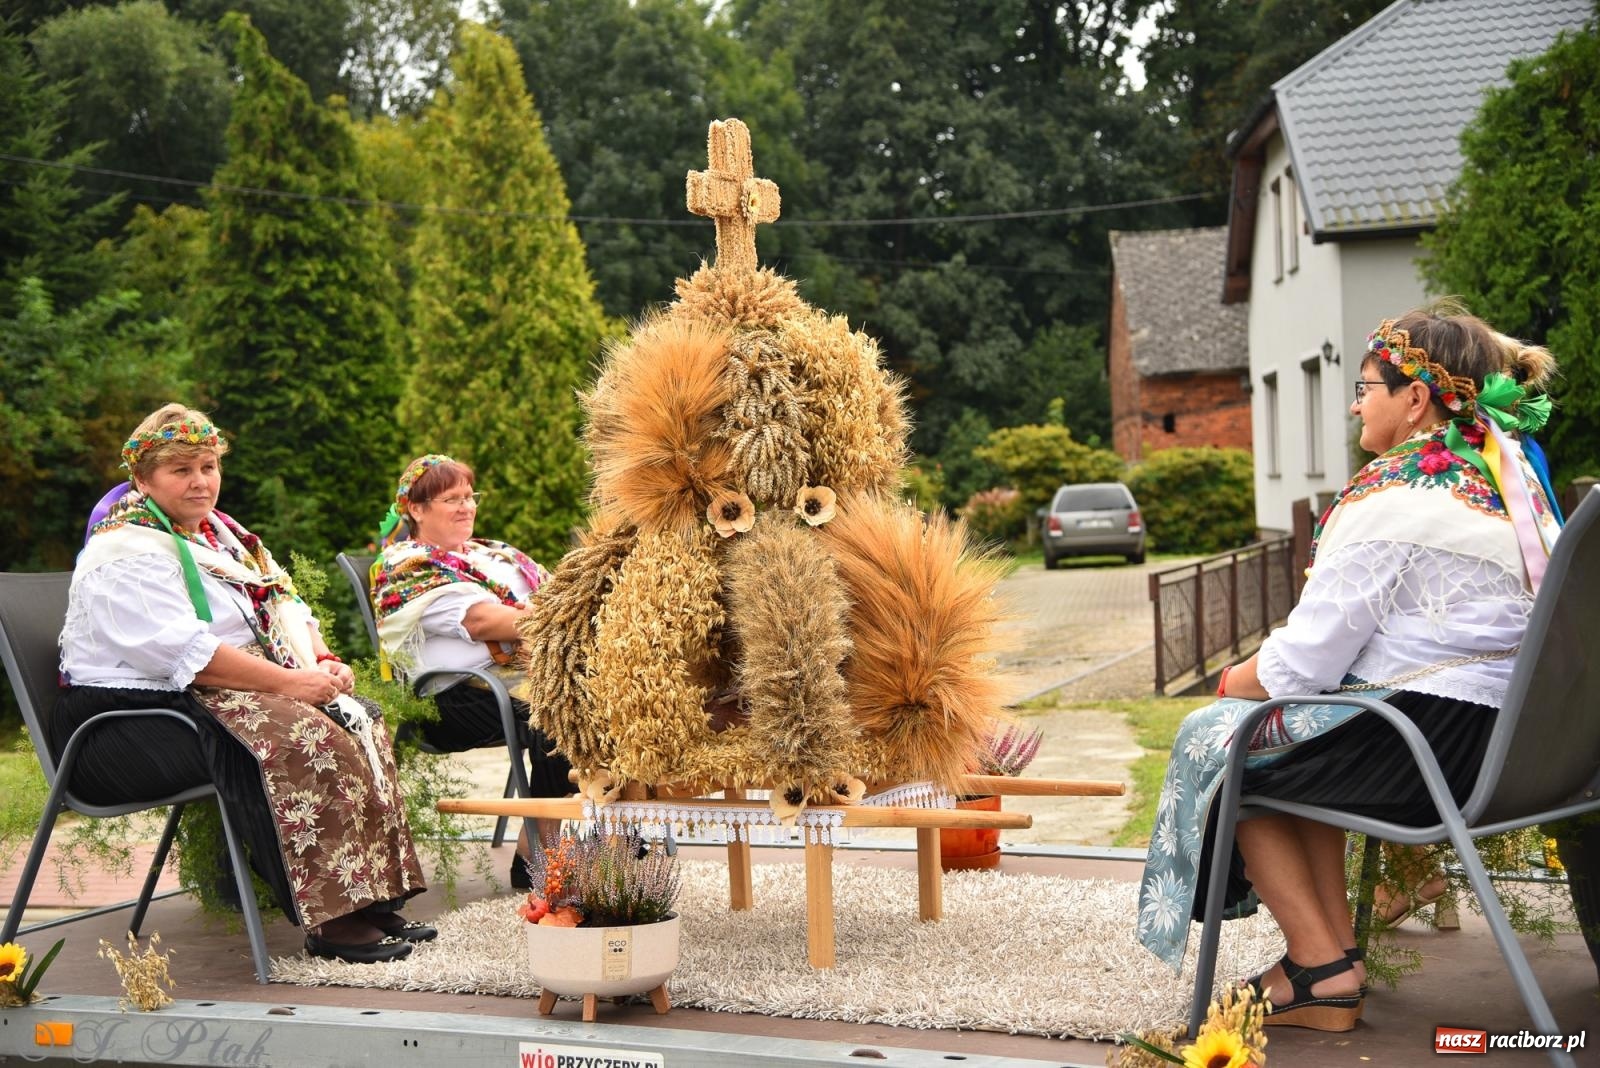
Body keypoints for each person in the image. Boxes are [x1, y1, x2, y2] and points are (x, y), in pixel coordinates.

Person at [1136, 303, 1561, 1031]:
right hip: (1519, 748)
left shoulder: (1395, 498)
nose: (1357, 402)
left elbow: (1299, 665)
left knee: (1230, 740)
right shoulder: (1508, 494)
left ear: (1416, 398)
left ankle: (1321, 967)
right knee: (1289, 738)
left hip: (1432, 749)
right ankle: (1327, 961)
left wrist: (1232, 683)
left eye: (1366, 386)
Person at [58, 404, 431, 964]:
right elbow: (187, 654)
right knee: (303, 735)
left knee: (360, 716)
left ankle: (368, 899)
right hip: (127, 720)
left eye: (208, 466)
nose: (201, 481)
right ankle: (332, 922)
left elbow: (283, 602)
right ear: (142, 479)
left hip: (203, 692)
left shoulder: (222, 537)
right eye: (181, 470)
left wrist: (319, 660)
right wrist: (289, 684)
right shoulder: (125, 549)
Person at [371, 454, 571, 887]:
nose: (466, 507)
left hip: (518, 680)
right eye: (451, 499)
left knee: (613, 693)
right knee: (563, 709)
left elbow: (555, 599)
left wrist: (554, 615)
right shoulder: (408, 566)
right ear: (416, 510)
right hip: (453, 699)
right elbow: (484, 622)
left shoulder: (495, 555)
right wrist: (560, 618)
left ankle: (616, 833)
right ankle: (539, 848)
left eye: (469, 496)